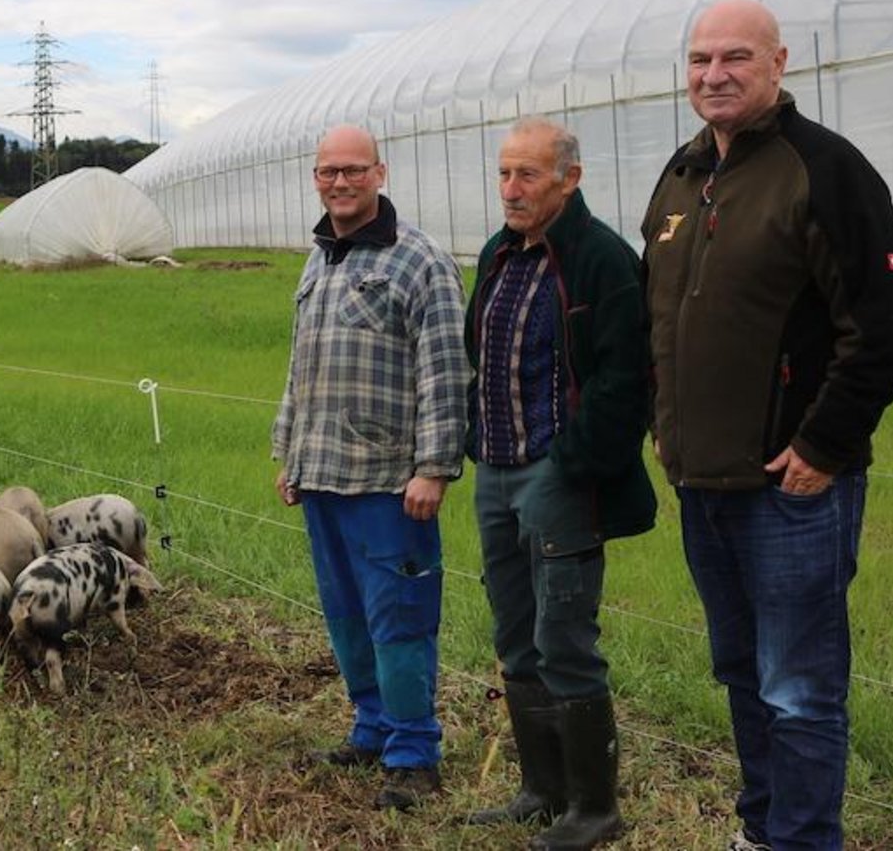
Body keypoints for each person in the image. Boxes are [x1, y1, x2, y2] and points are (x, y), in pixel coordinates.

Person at [642, 0, 893, 851]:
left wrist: (823, 444)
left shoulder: (825, 168)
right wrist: (664, 421)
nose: (714, 74)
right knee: (740, 670)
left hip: (791, 489)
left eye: (735, 56)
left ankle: (802, 840)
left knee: (799, 688)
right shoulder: (683, 175)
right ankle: (762, 830)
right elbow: (658, 315)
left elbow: (885, 319)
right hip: (703, 480)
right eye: (700, 59)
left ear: (778, 62)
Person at [461, 117, 656, 850]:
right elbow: (482, 356)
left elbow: (624, 378)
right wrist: (477, 443)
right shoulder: (499, 253)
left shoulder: (601, 258)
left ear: (569, 179)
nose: (511, 189)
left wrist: (571, 465)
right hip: (496, 468)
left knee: (563, 637)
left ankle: (594, 808)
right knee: (514, 633)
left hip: (559, 474)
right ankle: (541, 791)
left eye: (528, 175)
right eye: (504, 173)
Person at [272, 123, 470, 812]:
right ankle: (372, 726)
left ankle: (414, 751)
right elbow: (300, 366)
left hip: (389, 483)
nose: (341, 182)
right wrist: (290, 451)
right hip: (323, 474)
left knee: (400, 618)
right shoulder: (319, 259)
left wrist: (434, 467)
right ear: (315, 177)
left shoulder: (419, 261)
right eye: (329, 171)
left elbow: (446, 372)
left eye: (354, 169)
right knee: (348, 617)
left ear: (380, 173)